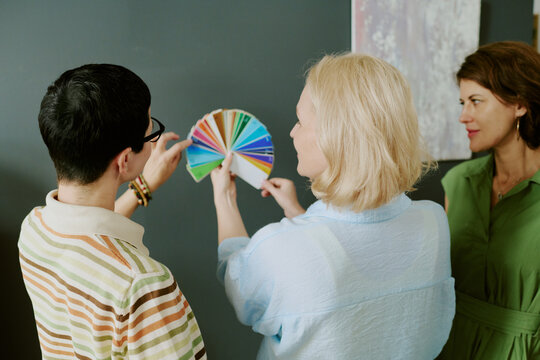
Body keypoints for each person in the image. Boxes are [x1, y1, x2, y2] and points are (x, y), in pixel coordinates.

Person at [210, 53, 455, 359]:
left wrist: (225, 199)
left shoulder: (282, 247)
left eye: (301, 121)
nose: (292, 132)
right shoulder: (434, 222)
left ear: (336, 135)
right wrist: (298, 213)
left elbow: (238, 284)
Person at [18, 64, 206, 360]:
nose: (154, 141)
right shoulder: (142, 288)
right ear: (125, 160)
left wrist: (142, 186)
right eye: (150, 133)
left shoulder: (34, 229)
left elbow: (91, 237)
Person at [437, 41, 540, 359]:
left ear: (519, 103)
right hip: (449, 343)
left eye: (476, 101)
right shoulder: (459, 183)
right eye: (462, 103)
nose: (463, 116)